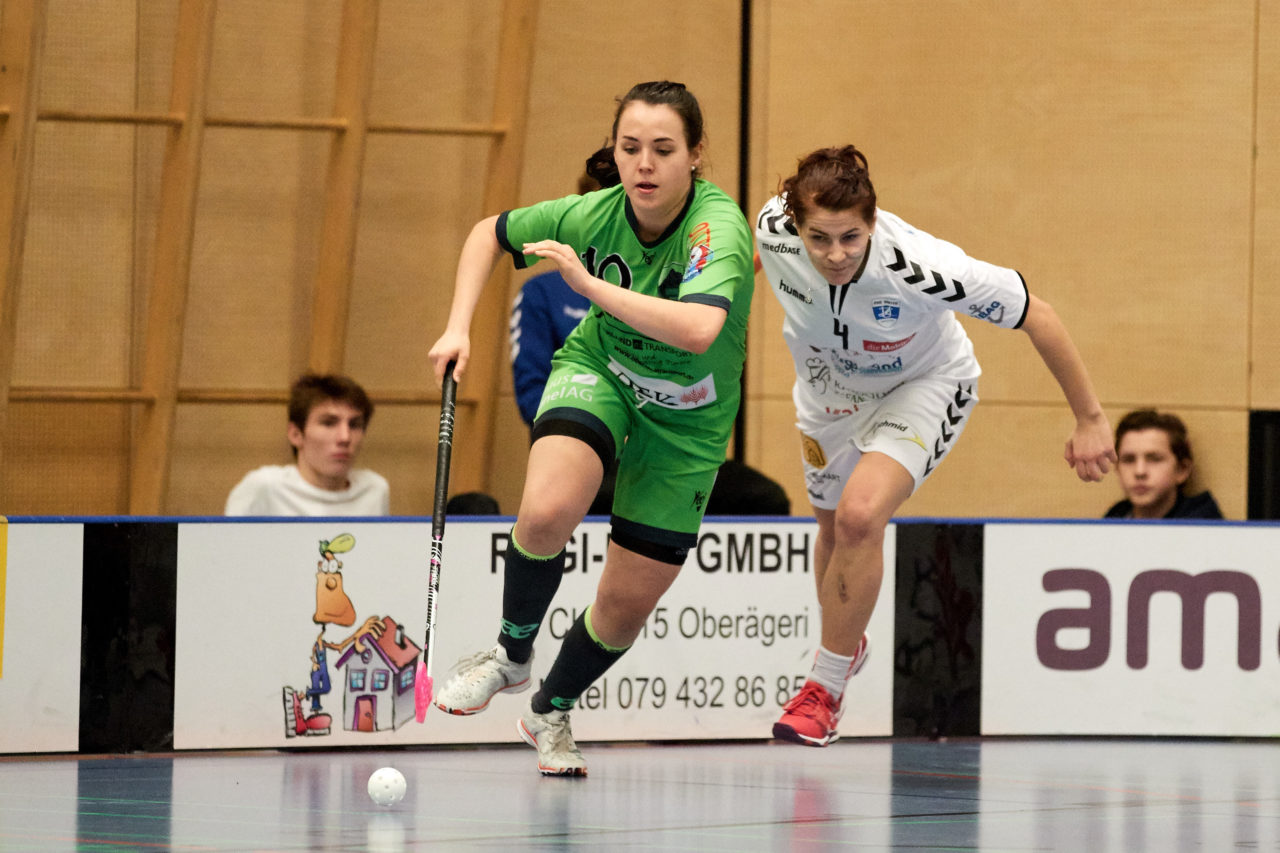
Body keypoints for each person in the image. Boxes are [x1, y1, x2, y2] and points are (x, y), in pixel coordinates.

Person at [426, 81, 754, 776]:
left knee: (626, 603)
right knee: (546, 509)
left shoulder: (715, 228)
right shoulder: (591, 213)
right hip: (600, 371)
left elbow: (700, 329)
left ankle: (550, 708)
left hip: (688, 419)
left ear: (696, 155)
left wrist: (589, 287)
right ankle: (511, 655)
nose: (644, 163)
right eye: (630, 147)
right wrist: (458, 326)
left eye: (663, 149)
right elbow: (488, 232)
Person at [755, 145, 1116, 747]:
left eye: (851, 236)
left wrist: (1090, 418)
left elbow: (1040, 316)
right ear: (795, 225)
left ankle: (823, 692)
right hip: (827, 396)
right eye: (819, 239)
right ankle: (847, 640)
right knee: (832, 532)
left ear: (872, 222)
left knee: (861, 516)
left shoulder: (922, 266)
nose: (836, 255)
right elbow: (746, 255)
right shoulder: (773, 227)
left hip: (923, 385)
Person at [225, 373, 389, 516]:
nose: (345, 437)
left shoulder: (375, 489)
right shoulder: (263, 487)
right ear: (296, 435)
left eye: (354, 425)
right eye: (329, 423)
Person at [1104, 409, 1223, 519]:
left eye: (1154, 459)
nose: (1139, 471)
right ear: (1117, 468)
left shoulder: (1206, 530)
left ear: (1182, 470)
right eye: (1129, 460)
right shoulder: (1111, 520)